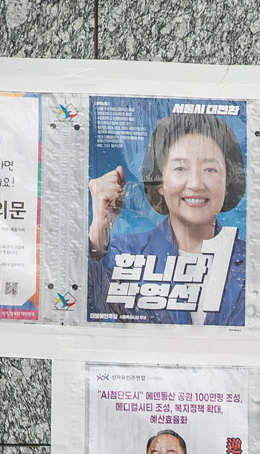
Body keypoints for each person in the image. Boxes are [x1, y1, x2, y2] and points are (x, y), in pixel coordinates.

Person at [87, 111, 249, 325]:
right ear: (159, 182)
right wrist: (100, 227)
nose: (196, 184)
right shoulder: (122, 253)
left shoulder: (253, 262)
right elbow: (84, 310)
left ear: (228, 183)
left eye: (210, 169)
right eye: (180, 168)